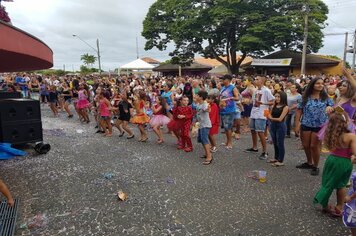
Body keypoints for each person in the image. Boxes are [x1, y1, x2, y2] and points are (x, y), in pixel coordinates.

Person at [313, 110, 356, 217]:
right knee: (341, 185)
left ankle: (325, 206)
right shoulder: (351, 136)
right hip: (344, 162)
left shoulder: (330, 134)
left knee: (328, 183)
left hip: (331, 160)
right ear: (345, 122)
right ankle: (339, 207)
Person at [295, 78, 334, 176]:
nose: (320, 85)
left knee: (314, 146)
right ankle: (309, 162)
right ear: (312, 85)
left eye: (322, 83)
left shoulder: (326, 98)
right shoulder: (305, 97)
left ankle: (315, 166)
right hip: (306, 124)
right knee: (306, 145)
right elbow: (299, 111)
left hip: (320, 125)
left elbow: (333, 110)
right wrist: (296, 125)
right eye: (317, 83)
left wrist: (330, 108)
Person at [245, 75, 275, 160]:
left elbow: (272, 102)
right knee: (253, 131)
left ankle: (265, 151)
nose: (255, 80)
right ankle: (254, 147)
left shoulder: (266, 90)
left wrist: (263, 104)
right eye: (255, 79)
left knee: (261, 132)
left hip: (261, 114)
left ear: (262, 81)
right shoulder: (255, 90)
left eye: (257, 79)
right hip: (254, 113)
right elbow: (253, 101)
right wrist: (247, 101)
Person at [267, 91, 289, 166]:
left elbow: (280, 119)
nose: (276, 98)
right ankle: (276, 157)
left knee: (280, 143)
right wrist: (268, 115)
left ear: (283, 97)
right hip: (273, 125)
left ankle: (280, 160)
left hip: (280, 126)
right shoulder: (274, 105)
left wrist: (271, 118)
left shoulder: (285, 107)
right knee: (275, 142)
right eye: (275, 96)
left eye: (278, 97)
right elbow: (270, 113)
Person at [219, 74, 239, 150]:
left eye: (223, 79)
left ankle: (230, 142)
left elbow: (237, 98)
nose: (222, 80)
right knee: (225, 127)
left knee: (229, 127)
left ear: (228, 80)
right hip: (223, 109)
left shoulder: (233, 88)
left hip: (230, 110)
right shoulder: (223, 87)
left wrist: (229, 98)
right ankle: (227, 141)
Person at [195, 90, 213, 165]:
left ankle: (209, 156)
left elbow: (207, 109)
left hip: (205, 125)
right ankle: (207, 153)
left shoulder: (204, 104)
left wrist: (208, 109)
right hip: (201, 124)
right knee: (201, 139)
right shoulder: (199, 104)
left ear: (201, 97)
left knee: (204, 140)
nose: (196, 96)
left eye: (197, 95)